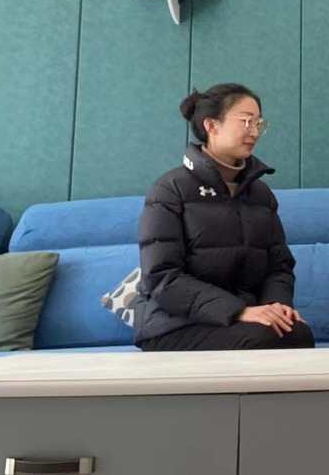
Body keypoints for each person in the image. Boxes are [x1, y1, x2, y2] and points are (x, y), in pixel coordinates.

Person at [132, 83, 314, 351]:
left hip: (243, 321)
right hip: (174, 324)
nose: (255, 132)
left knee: (297, 334)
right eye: (246, 121)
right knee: (261, 342)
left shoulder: (261, 195)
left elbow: (279, 267)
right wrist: (238, 311)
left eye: (259, 123)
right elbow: (163, 277)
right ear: (212, 125)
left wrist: (276, 306)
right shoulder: (170, 190)